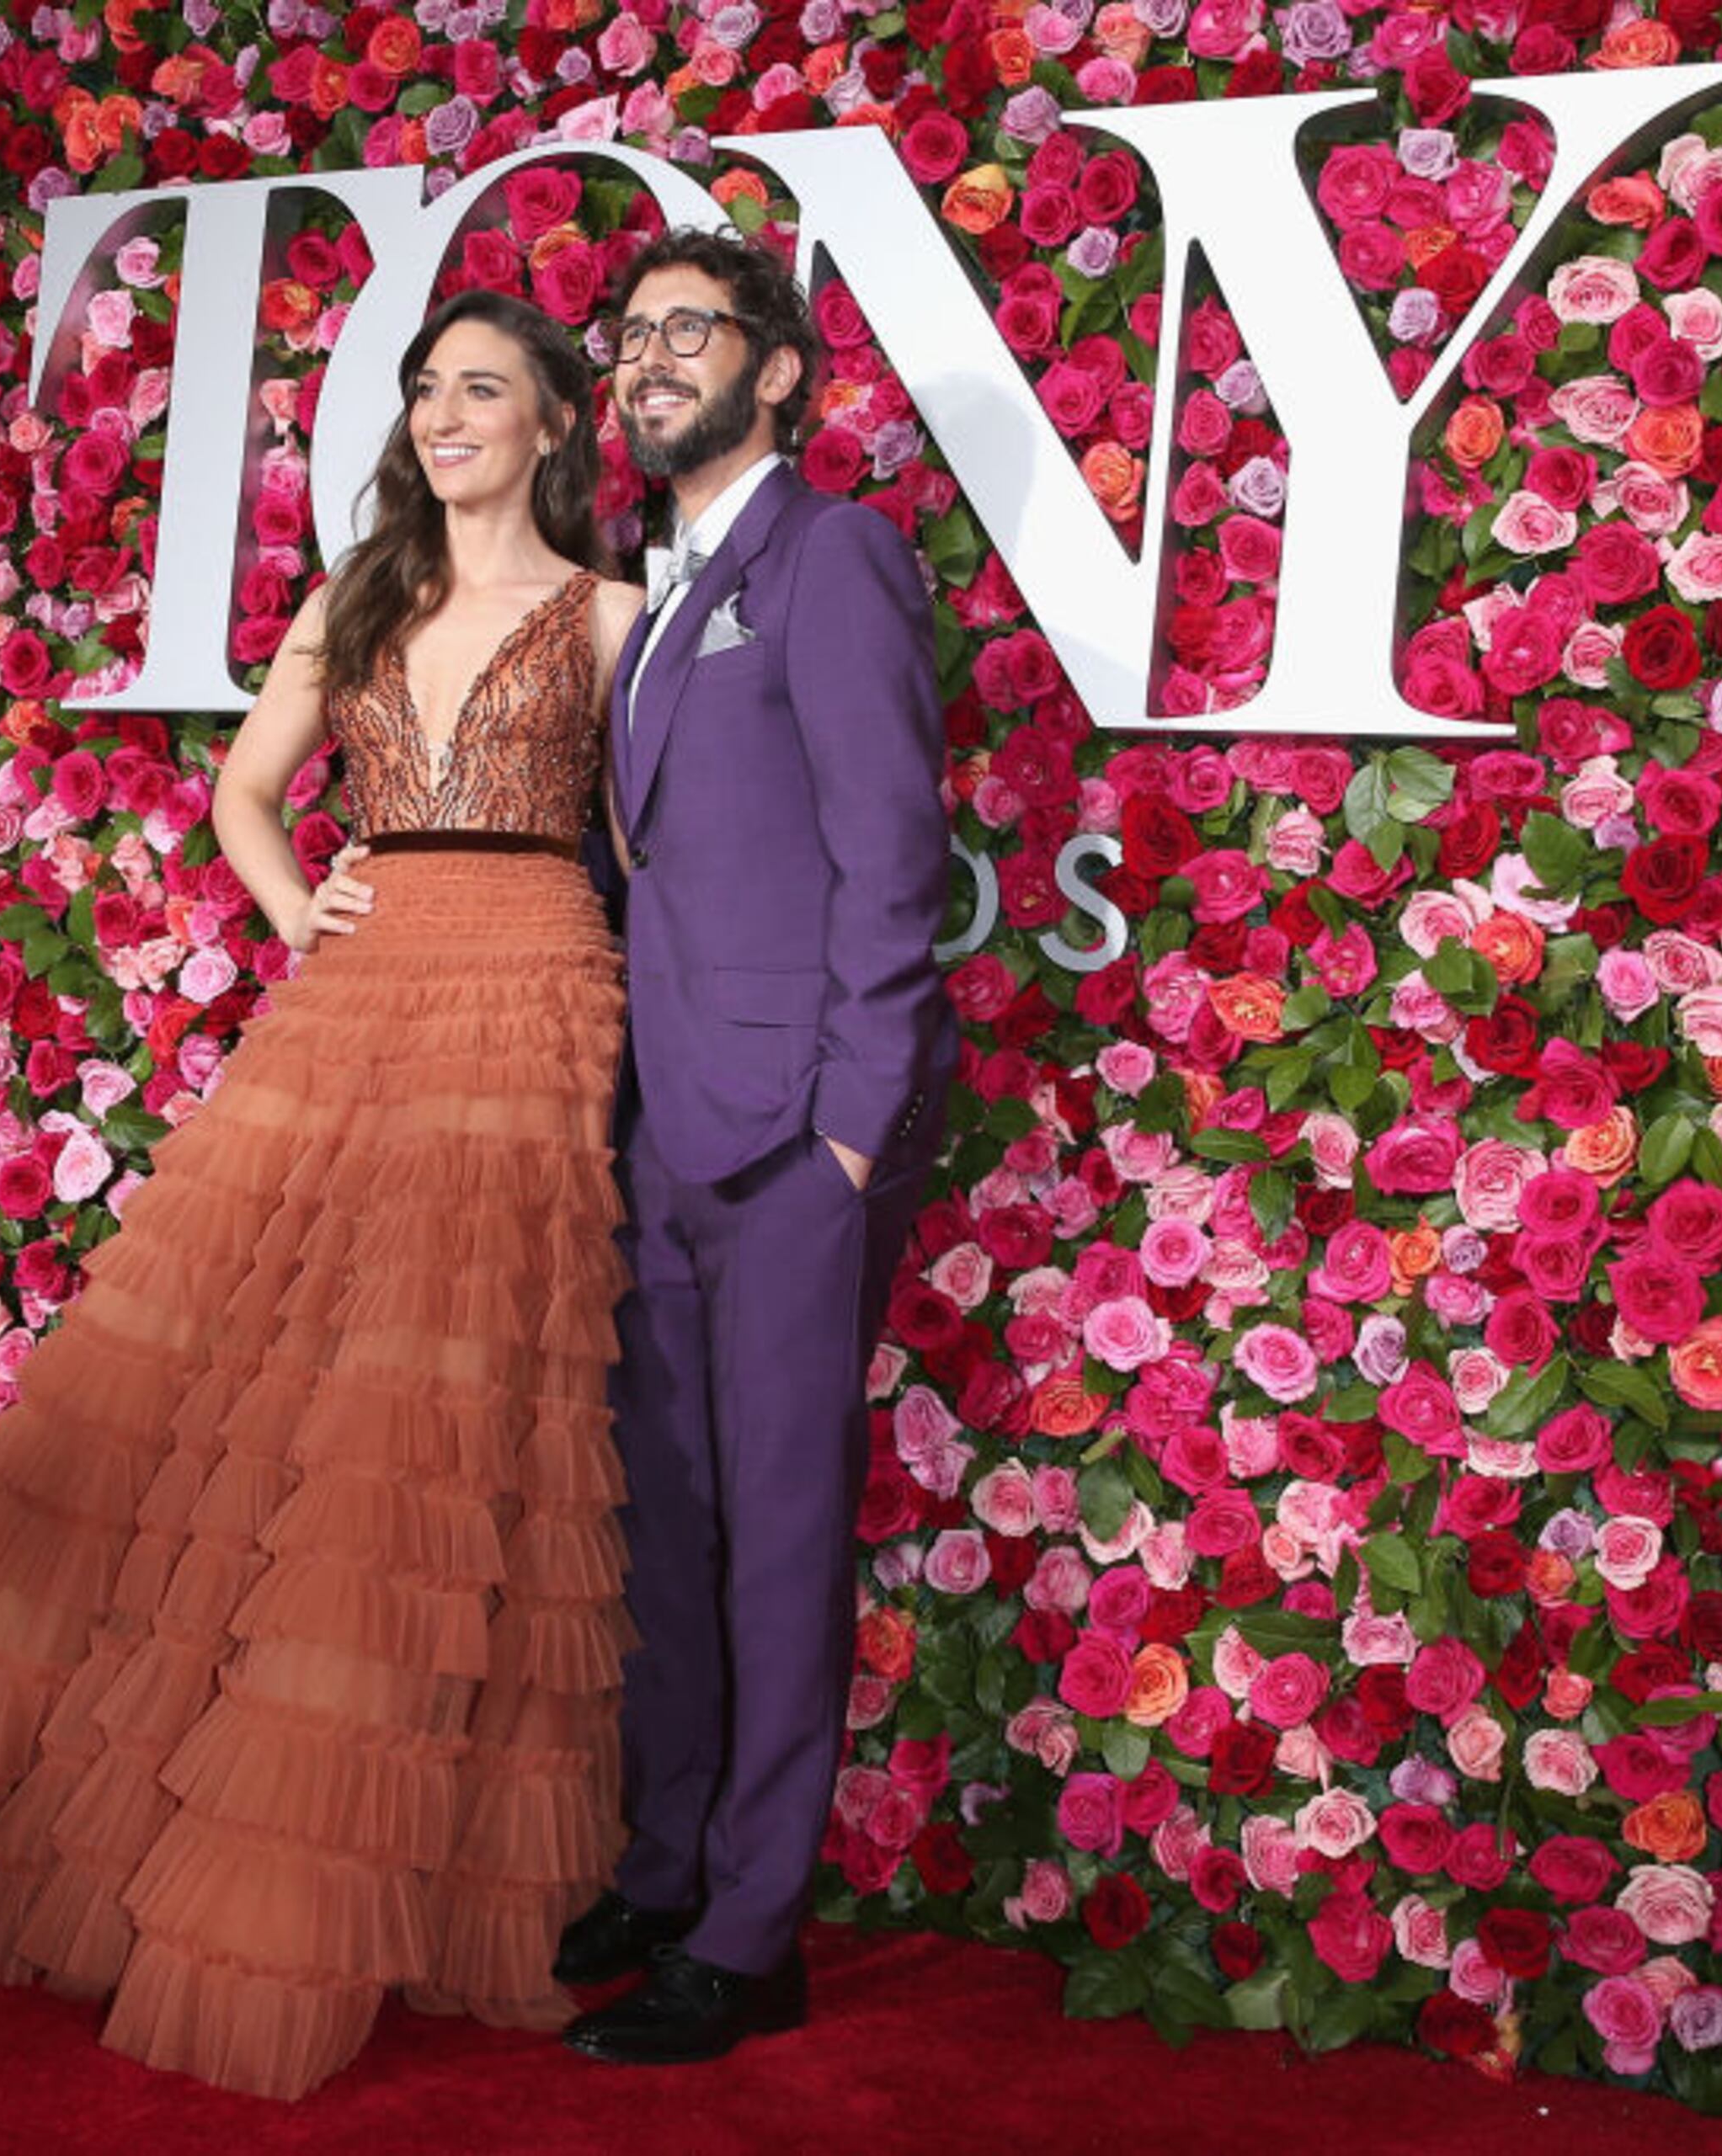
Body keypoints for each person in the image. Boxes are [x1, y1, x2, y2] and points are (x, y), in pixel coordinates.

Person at [0, 287, 648, 2101]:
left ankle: (398, 1871)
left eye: (483, 389)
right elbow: (251, 793)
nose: (445, 416)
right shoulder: (361, 596)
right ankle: (191, 1829)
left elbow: (650, 844)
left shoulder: (616, 616)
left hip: (539, 986)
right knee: (268, 1384)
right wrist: (300, 904)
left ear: (561, 422)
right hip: (370, 981)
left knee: (450, 1411)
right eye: (427, 390)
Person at [556, 228, 956, 2066]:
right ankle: (665, 1870)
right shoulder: (653, 584)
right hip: (665, 1132)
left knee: (780, 1534)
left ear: (776, 369)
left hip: (796, 1138)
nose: (645, 362)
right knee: (674, 1525)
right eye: (628, 336)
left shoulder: (833, 554)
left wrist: (851, 1133)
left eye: (686, 332)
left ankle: (749, 1932)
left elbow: (895, 863)